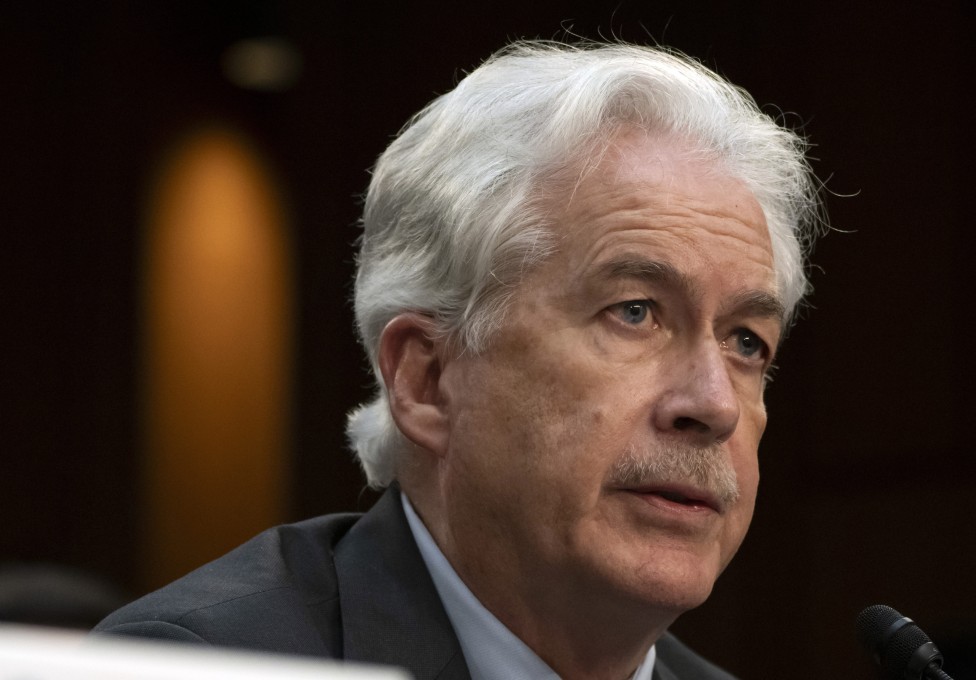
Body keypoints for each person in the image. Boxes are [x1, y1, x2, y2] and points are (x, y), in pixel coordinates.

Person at [96, 41, 821, 679]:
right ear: (428, 379)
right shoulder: (198, 666)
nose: (715, 403)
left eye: (746, 342)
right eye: (634, 312)